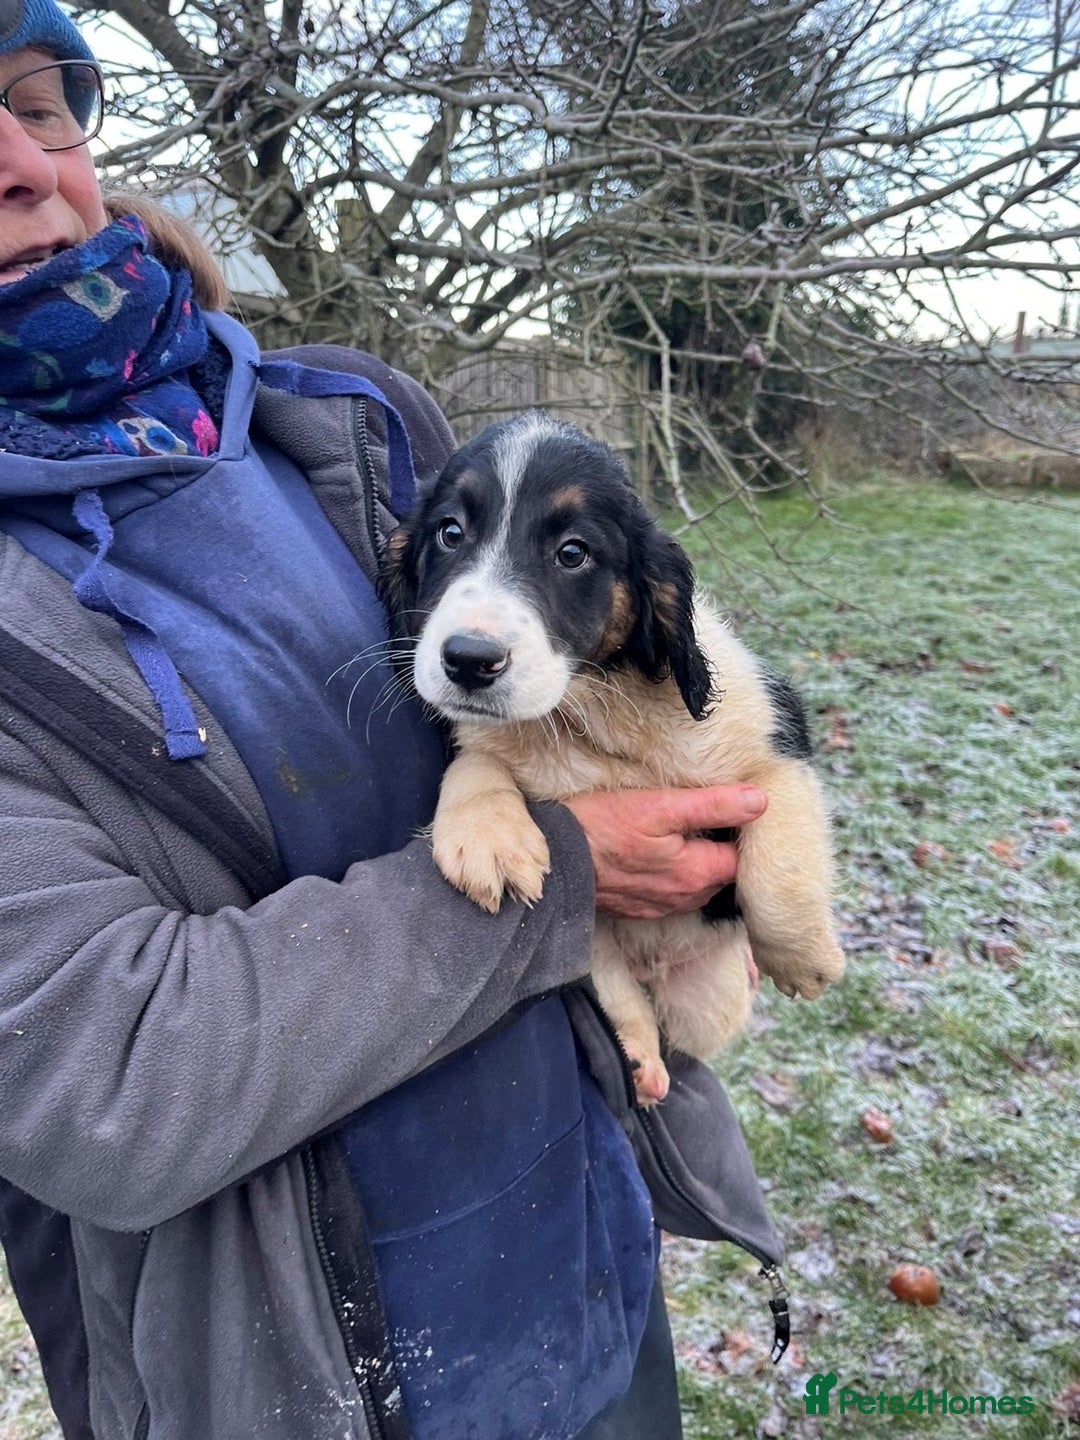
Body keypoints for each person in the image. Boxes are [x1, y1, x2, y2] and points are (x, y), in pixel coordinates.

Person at [0, 3, 776, 1436]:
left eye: (40, 101)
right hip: (292, 1392)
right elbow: (107, 1082)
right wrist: (568, 882)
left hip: (587, 1290)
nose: (17, 158)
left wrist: (721, 758)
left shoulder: (352, 420)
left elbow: (583, 676)